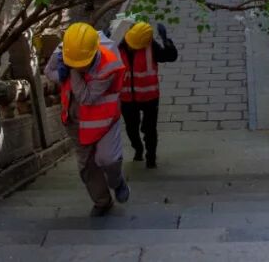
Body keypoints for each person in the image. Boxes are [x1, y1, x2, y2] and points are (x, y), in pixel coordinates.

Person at [45, 21, 131, 216]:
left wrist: (71, 72)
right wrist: (60, 74)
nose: (80, 67)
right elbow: (49, 72)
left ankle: (117, 182)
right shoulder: (65, 50)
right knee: (87, 166)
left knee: (108, 159)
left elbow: (86, 97)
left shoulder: (109, 61)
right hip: (74, 119)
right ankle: (102, 202)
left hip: (104, 119)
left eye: (82, 64)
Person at [111, 19, 178, 169]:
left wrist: (166, 41)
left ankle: (151, 158)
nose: (133, 48)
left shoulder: (150, 45)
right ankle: (138, 148)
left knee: (150, 129)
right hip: (127, 98)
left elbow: (170, 56)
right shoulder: (118, 47)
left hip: (149, 97)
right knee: (131, 129)